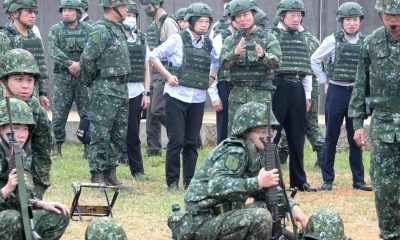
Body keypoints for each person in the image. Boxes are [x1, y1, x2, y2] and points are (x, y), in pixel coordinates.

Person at [181, 102, 306, 239]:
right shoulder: (235, 151)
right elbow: (216, 186)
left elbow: (266, 190)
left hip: (221, 216)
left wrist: (292, 206)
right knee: (260, 217)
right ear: (245, 132)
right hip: (202, 221)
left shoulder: (257, 152)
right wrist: (257, 182)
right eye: (262, 132)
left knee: (268, 207)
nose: (268, 137)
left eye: (272, 132)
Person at [150, 2, 219, 190]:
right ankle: (172, 183)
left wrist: (211, 78)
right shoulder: (177, 39)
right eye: (201, 21)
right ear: (190, 21)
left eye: (207, 21)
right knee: (176, 140)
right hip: (176, 97)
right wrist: (168, 76)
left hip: (197, 99)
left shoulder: (208, 43)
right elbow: (154, 56)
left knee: (191, 142)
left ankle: (189, 183)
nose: (205, 25)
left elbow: (217, 61)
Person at [349, 0, 400, 238]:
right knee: (384, 186)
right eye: (389, 13)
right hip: (383, 125)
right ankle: (390, 233)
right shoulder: (371, 43)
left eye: (398, 14)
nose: (393, 18)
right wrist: (358, 124)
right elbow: (360, 85)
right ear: (380, 14)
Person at [311, 2, 372, 191]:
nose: (352, 23)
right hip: (336, 92)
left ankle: (359, 180)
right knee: (331, 136)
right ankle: (327, 179)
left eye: (355, 20)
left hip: (356, 93)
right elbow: (314, 59)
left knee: (357, 137)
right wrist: (325, 83)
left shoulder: (366, 41)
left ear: (360, 21)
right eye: (348, 20)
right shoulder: (332, 40)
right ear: (341, 22)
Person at [0, 98, 70, 239]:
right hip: (6, 217)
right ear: (1, 128)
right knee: (12, 218)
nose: (21, 134)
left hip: (11, 212)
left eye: (25, 129)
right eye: (15, 128)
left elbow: (16, 199)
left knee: (59, 215)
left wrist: (39, 203)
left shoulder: (18, 152)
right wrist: (6, 189)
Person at [80, 0, 131, 186]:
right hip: (105, 88)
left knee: (118, 133)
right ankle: (97, 174)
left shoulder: (118, 28)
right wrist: (91, 83)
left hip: (121, 88)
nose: (127, 9)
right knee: (101, 132)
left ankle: (110, 172)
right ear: (113, 7)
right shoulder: (100, 30)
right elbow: (87, 60)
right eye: (124, 5)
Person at [270, 0, 317, 192]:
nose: (296, 19)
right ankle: (272, 181)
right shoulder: (272, 35)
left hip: (298, 87)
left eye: (299, 15)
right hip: (278, 86)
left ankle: (299, 181)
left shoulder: (303, 38)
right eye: (292, 15)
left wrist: (307, 95)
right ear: (282, 16)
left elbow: (307, 68)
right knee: (272, 135)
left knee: (297, 137)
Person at [220, 0, 281, 136]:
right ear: (234, 19)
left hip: (261, 96)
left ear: (253, 14)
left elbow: (277, 63)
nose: (242, 19)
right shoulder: (230, 40)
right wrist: (234, 53)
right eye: (238, 16)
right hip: (237, 96)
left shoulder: (268, 38)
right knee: (236, 135)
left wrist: (263, 55)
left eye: (245, 15)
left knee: (263, 136)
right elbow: (223, 64)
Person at [0, 48, 53, 199]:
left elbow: (43, 152)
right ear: (4, 81)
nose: (25, 85)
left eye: (30, 80)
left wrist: (38, 189)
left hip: (22, 172)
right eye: (19, 79)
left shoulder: (36, 110)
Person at [276, 22, 325, 168]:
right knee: (300, 124)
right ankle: (282, 155)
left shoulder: (299, 39)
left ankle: (322, 152)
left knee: (305, 125)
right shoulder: (312, 38)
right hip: (307, 87)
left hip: (302, 87)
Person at [48, 0, 92, 157]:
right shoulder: (56, 30)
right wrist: (70, 64)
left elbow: (92, 50)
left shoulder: (88, 29)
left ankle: (88, 146)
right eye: (64, 10)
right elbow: (53, 50)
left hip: (83, 78)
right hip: (62, 79)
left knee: (87, 113)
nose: (66, 13)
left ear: (78, 12)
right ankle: (57, 147)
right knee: (59, 113)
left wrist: (81, 64)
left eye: (69, 10)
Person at [140, 0, 179, 157]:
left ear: (156, 4)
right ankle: (153, 149)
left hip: (164, 69)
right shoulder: (152, 26)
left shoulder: (168, 22)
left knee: (157, 109)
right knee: (150, 115)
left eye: (149, 5)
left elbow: (175, 47)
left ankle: (179, 135)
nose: (147, 9)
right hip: (153, 70)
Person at [0, 0, 50, 109]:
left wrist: (42, 93)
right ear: (14, 13)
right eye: (28, 11)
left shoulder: (34, 38)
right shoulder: (4, 37)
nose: (33, 15)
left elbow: (38, 68)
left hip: (32, 99)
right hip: (9, 100)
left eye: (34, 12)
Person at [123, 0, 151, 179]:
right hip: (115, 92)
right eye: (127, 15)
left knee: (133, 133)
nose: (130, 18)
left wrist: (146, 92)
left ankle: (138, 170)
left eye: (133, 15)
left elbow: (146, 66)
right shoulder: (114, 35)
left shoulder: (141, 38)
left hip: (135, 92)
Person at [212, 3, 238, 144]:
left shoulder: (250, 36)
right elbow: (213, 67)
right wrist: (214, 96)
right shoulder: (219, 39)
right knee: (223, 129)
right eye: (237, 16)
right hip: (225, 86)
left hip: (244, 87)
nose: (241, 20)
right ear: (230, 19)